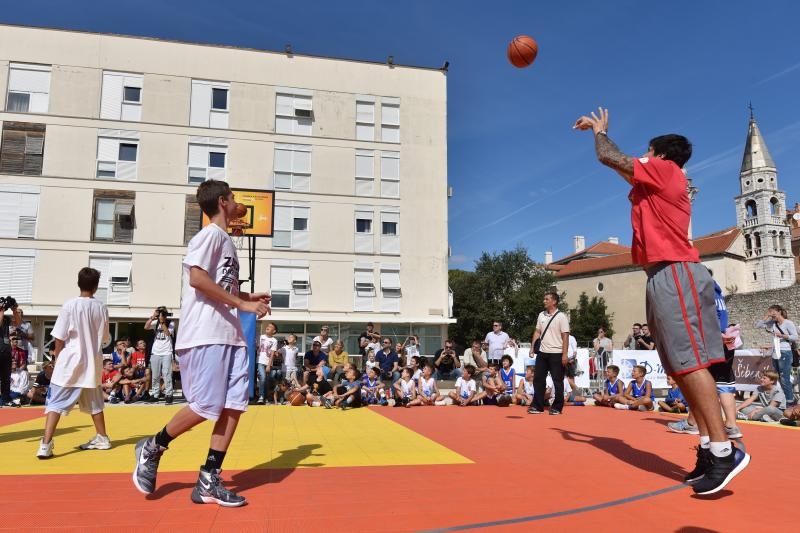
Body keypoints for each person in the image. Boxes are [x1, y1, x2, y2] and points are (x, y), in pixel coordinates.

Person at [574, 107, 748, 494]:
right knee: (679, 367)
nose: (644, 159)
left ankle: (725, 450)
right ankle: (708, 446)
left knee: (692, 363)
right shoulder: (653, 183)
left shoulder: (666, 171)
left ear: (660, 155)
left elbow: (610, 157)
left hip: (676, 272)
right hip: (660, 276)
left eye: (648, 153)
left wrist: (599, 132)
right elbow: (623, 169)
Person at [132, 179, 271, 507]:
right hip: (206, 333)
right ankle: (153, 445)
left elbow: (219, 286)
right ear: (223, 202)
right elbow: (197, 279)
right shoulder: (209, 235)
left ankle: (209, 478)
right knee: (206, 406)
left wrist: (247, 296)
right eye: (235, 198)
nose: (240, 205)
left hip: (231, 334)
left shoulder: (225, 241)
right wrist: (243, 305)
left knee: (235, 406)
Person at [37, 267, 111, 458]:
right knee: (95, 402)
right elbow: (104, 338)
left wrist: (56, 359)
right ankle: (102, 437)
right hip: (92, 361)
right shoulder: (101, 307)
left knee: (55, 403)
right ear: (96, 287)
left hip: (71, 361)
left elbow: (60, 337)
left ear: (78, 283)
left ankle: (45, 444)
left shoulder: (69, 305)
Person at [669, 281, 742, 439]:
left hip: (712, 341)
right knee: (725, 383)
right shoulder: (717, 292)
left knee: (699, 382)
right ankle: (731, 425)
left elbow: (705, 318)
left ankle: (692, 423)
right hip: (727, 338)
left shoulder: (701, 292)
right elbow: (720, 316)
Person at [528, 292, 570, 416]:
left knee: (557, 381)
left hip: (556, 353)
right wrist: (532, 348)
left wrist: (564, 354)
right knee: (538, 379)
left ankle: (557, 406)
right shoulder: (541, 315)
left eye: (547, 299)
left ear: (554, 301)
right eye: (544, 298)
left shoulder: (561, 317)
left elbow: (565, 336)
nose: (544, 301)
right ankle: (538, 406)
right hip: (542, 352)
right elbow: (537, 332)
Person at [756, 305, 797, 406]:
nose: (772, 314)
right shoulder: (772, 323)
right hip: (776, 353)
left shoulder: (788, 323)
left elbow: (795, 337)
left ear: (779, 312)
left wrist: (783, 336)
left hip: (785, 352)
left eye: (773, 312)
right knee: (778, 377)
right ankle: (785, 400)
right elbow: (758, 325)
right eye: (770, 312)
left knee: (784, 378)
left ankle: (790, 402)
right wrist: (766, 316)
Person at [144, 306, 175, 404]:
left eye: (162, 313)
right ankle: (155, 395)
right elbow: (146, 327)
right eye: (160, 313)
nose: (161, 315)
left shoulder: (171, 323)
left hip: (167, 352)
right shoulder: (155, 322)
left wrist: (162, 322)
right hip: (155, 352)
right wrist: (153, 317)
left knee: (167, 374)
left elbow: (167, 333)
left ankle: (169, 394)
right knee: (155, 375)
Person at [0, 296, 22, 406]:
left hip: (6, 351)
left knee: (6, 377)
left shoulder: (6, 318)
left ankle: (5, 398)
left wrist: (14, 310)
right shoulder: (1, 315)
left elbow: (18, 323)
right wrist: (2, 310)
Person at [256, 322, 279, 404]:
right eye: (268, 326)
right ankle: (261, 396)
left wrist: (269, 365)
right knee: (262, 377)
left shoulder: (274, 340)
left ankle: (266, 397)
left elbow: (272, 354)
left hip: (268, 363)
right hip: (260, 361)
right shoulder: (261, 337)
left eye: (270, 327)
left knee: (266, 380)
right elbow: (257, 347)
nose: (268, 327)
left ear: (274, 331)